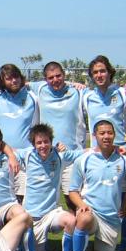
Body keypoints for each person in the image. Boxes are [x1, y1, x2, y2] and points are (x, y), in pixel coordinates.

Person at [83, 55, 126, 251]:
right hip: (96, 156)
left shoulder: (123, 93)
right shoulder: (87, 96)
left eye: (103, 71)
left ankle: (123, 247)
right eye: (95, 72)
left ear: (110, 72)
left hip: (122, 154)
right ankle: (87, 243)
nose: (99, 75)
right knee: (91, 199)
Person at [17, 123, 83, 251]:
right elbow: (8, 150)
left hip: (51, 213)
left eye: (46, 141)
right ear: (33, 144)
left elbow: (83, 153)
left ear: (51, 141)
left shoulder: (60, 155)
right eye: (39, 143)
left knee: (71, 220)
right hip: (32, 217)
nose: (43, 146)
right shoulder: (27, 155)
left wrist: (113, 149)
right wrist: (12, 159)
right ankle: (25, 250)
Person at [68, 120, 126, 251]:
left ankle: (88, 248)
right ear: (94, 135)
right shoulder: (84, 159)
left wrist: (124, 206)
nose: (106, 136)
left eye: (109, 133)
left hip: (111, 219)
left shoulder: (123, 160)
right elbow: (73, 191)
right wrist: (82, 205)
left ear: (114, 135)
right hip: (92, 212)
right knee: (84, 217)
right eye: (102, 133)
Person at [31, 61, 86, 210]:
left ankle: (76, 233)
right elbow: (15, 82)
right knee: (43, 199)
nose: (55, 80)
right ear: (45, 79)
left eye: (58, 76)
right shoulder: (39, 89)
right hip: (47, 155)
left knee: (73, 200)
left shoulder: (77, 92)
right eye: (51, 77)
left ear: (64, 75)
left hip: (71, 155)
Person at [0, 64, 39, 198]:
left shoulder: (32, 96)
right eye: (9, 78)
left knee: (23, 200)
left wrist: (73, 83)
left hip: (25, 157)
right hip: (2, 156)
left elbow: (51, 82)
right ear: (2, 81)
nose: (14, 81)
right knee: (2, 200)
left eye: (16, 77)